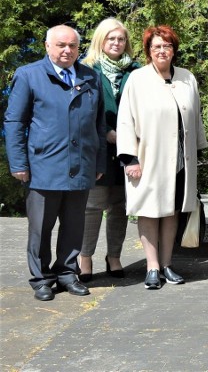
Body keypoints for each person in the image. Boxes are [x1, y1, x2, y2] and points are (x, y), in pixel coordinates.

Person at [5, 25, 107, 301]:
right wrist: (18, 163)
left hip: (81, 165)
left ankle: (67, 273)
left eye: (72, 46)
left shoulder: (90, 77)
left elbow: (99, 124)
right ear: (47, 46)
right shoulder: (29, 75)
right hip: (43, 166)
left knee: (74, 225)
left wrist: (99, 161)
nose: (67, 50)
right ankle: (41, 278)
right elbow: (15, 122)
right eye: (61, 45)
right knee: (41, 227)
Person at [116, 25, 207, 290]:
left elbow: (196, 116)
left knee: (172, 211)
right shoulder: (137, 79)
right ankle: (152, 266)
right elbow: (125, 121)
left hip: (182, 160)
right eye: (156, 46)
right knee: (150, 210)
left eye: (167, 46)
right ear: (148, 51)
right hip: (148, 158)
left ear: (174, 50)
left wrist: (198, 150)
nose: (162, 51)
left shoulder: (187, 77)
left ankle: (167, 264)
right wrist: (130, 159)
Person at [78, 18, 139, 282]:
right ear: (100, 41)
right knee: (92, 207)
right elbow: (82, 111)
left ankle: (114, 256)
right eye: (111, 38)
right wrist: (105, 132)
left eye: (121, 39)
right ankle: (85, 257)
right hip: (96, 148)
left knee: (119, 205)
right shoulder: (86, 69)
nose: (116, 43)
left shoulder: (135, 71)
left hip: (127, 150)